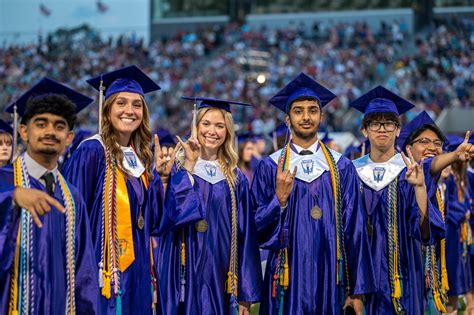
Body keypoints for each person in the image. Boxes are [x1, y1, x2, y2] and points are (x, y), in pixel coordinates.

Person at [62, 65, 196, 314]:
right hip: (103, 276)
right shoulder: (92, 151)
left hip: (137, 274)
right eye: (121, 103)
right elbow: (72, 219)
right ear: (107, 109)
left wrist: (164, 179)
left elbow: (154, 222)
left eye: (137, 105)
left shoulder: (138, 158)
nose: (129, 111)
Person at [252, 73, 374, 314]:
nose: (306, 117)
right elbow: (254, 228)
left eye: (312, 110)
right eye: (298, 111)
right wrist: (279, 201)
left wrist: (357, 291)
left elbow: (355, 230)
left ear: (321, 116)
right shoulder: (270, 167)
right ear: (287, 119)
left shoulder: (341, 167)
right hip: (286, 277)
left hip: (331, 276)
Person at [0, 77, 98, 314]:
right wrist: (11, 198)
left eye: (59, 126)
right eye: (41, 124)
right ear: (23, 131)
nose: (50, 132)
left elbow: (84, 273)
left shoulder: (73, 197)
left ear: (69, 138)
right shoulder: (4, 181)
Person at [157, 97, 262, 314]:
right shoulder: (178, 168)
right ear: (196, 127)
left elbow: (246, 235)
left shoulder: (236, 178)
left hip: (222, 275)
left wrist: (245, 292)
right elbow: (172, 218)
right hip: (185, 274)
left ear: (228, 131)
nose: (212, 131)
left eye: (219, 126)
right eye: (206, 124)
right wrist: (189, 165)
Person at [350, 86, 445, 314]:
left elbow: (425, 233)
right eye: (375, 123)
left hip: (402, 273)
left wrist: (420, 188)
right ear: (365, 130)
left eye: (389, 123)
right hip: (361, 273)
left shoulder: (409, 171)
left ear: (398, 129)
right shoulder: (349, 172)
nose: (382, 128)